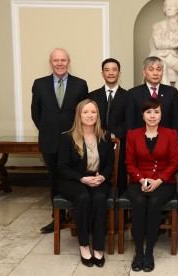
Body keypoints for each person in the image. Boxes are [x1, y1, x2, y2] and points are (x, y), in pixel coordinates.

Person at [31, 48, 88, 234]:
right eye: (56, 60)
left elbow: (83, 114)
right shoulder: (39, 84)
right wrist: (48, 131)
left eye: (63, 60)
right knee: (54, 179)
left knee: (74, 177)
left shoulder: (80, 85)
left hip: (74, 142)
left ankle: (76, 215)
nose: (60, 63)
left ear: (68, 62)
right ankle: (57, 217)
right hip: (50, 142)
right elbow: (36, 113)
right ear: (50, 63)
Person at [57, 99, 114, 268]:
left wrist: (103, 177)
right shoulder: (67, 137)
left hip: (97, 179)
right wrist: (82, 179)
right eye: (86, 112)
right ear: (79, 115)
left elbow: (110, 164)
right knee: (82, 198)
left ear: (98, 115)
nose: (90, 115)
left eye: (93, 112)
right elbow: (62, 167)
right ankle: (84, 245)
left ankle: (98, 246)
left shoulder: (104, 136)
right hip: (73, 180)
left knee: (98, 199)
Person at [125, 98, 178, 272]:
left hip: (164, 182)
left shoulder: (171, 134)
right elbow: (130, 163)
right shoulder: (133, 134)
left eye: (156, 111)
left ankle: (149, 252)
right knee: (140, 202)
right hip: (138, 180)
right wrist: (141, 179)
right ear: (142, 115)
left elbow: (174, 162)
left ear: (161, 114)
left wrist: (159, 180)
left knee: (154, 202)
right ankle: (138, 252)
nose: (152, 115)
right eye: (148, 112)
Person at [88, 58, 128, 196]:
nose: (110, 73)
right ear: (102, 73)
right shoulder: (92, 96)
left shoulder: (128, 96)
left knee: (121, 176)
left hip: (120, 143)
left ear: (119, 73)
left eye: (114, 70)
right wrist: (102, 134)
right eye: (107, 70)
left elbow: (129, 120)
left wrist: (114, 134)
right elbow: (89, 118)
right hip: (97, 142)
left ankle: (123, 210)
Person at [149, 0, 178, 94]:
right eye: (167, 6)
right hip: (161, 57)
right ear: (164, 9)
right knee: (162, 68)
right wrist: (177, 44)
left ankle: (173, 97)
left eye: (172, 5)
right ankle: (169, 99)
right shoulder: (157, 25)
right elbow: (158, 43)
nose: (169, 7)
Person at [126, 56, 178, 134]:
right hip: (140, 140)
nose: (155, 73)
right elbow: (130, 123)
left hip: (166, 140)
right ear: (144, 72)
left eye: (159, 69)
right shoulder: (133, 93)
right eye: (151, 69)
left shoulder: (172, 92)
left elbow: (176, 122)